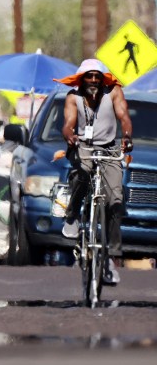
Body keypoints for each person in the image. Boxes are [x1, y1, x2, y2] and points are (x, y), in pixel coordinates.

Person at [54, 58, 133, 285]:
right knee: (82, 172)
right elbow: (68, 123)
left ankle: (110, 259)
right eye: (89, 76)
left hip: (109, 149)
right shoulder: (73, 97)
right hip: (83, 147)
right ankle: (72, 216)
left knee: (116, 200)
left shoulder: (113, 93)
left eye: (98, 77)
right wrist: (69, 135)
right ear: (81, 79)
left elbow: (124, 117)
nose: (94, 81)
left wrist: (126, 137)